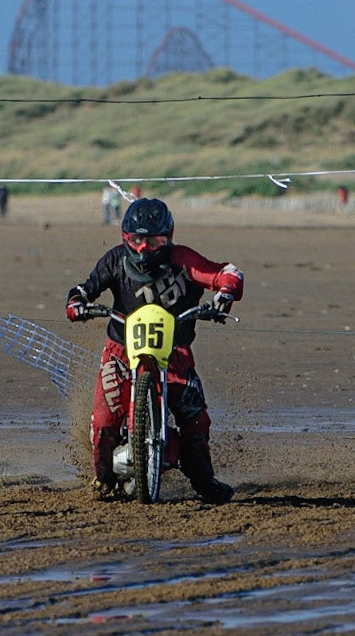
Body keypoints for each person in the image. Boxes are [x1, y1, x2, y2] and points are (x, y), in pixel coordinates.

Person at [65, 198, 244, 503]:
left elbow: (227, 273)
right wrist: (77, 304)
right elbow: (85, 288)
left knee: (196, 419)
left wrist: (225, 293)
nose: (144, 248)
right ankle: (103, 478)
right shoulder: (115, 260)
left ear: (168, 237)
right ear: (126, 238)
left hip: (175, 353)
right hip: (120, 351)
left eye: (154, 241)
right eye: (137, 240)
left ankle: (203, 480)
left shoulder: (183, 259)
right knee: (104, 418)